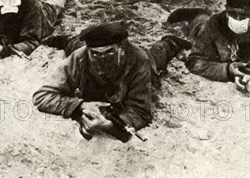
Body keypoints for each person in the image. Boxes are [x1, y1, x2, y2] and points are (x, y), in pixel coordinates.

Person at [33, 23, 191, 140]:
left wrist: (111, 126)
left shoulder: (138, 59)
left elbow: (141, 111)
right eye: (95, 54)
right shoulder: (80, 56)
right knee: (74, 45)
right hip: (81, 51)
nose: (101, 60)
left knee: (156, 60)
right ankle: (67, 39)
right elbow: (42, 96)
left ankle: (171, 42)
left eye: (109, 53)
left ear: (122, 48)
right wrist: (80, 105)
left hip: (144, 62)